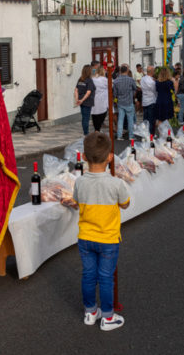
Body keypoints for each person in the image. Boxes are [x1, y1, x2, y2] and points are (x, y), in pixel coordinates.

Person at [73, 132, 130, 331]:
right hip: (108, 239)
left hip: (85, 238)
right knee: (106, 277)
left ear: (84, 157)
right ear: (110, 157)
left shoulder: (79, 182)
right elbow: (125, 204)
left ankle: (90, 312)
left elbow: (77, 200)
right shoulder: (116, 183)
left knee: (88, 275)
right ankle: (108, 316)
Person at [113, 65, 136, 140]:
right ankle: (131, 136)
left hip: (120, 102)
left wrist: (115, 101)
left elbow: (115, 94)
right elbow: (134, 88)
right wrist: (132, 94)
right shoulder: (131, 80)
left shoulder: (116, 81)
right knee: (130, 119)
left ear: (120, 71)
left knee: (120, 119)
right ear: (126, 71)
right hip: (129, 101)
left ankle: (119, 136)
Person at [74, 65, 95, 136]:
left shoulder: (80, 79)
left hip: (81, 101)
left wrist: (77, 99)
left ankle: (85, 131)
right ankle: (86, 133)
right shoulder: (89, 80)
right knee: (86, 117)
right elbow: (88, 92)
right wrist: (82, 100)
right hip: (87, 101)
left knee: (84, 117)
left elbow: (76, 90)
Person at [91, 66, 109, 132]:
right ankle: (97, 130)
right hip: (102, 100)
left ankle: (96, 130)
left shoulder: (93, 79)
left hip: (94, 100)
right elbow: (112, 85)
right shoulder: (104, 80)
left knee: (94, 116)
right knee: (102, 115)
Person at [141, 65, 157, 135]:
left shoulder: (143, 79)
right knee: (151, 120)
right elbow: (155, 90)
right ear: (152, 72)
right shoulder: (152, 81)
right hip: (152, 101)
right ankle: (150, 135)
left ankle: (145, 133)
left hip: (145, 101)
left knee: (145, 119)